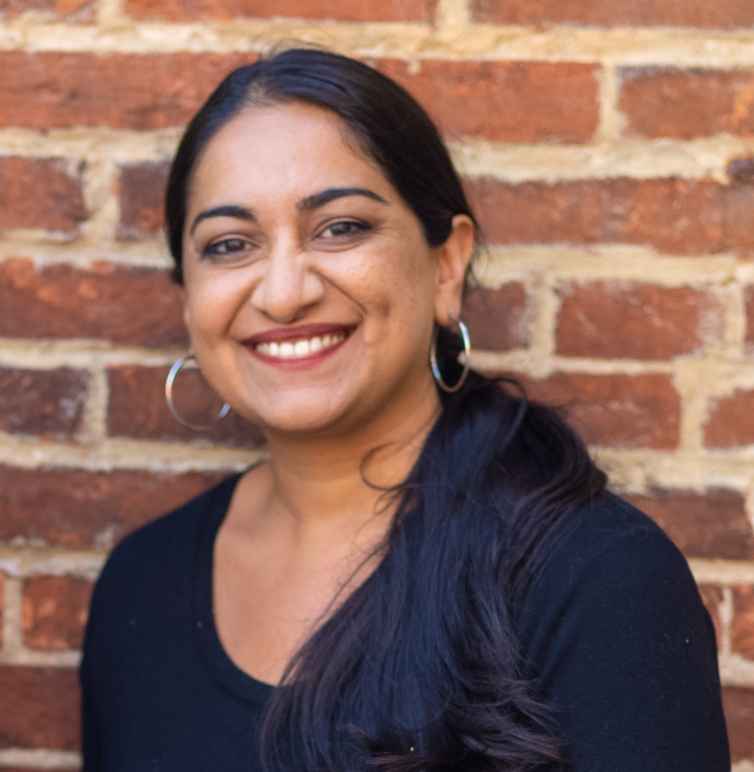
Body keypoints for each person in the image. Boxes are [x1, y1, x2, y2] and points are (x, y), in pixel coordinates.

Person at [80, 47, 730, 771]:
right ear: (189, 298)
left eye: (340, 228)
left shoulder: (593, 579)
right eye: (230, 245)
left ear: (446, 265)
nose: (284, 291)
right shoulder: (141, 588)